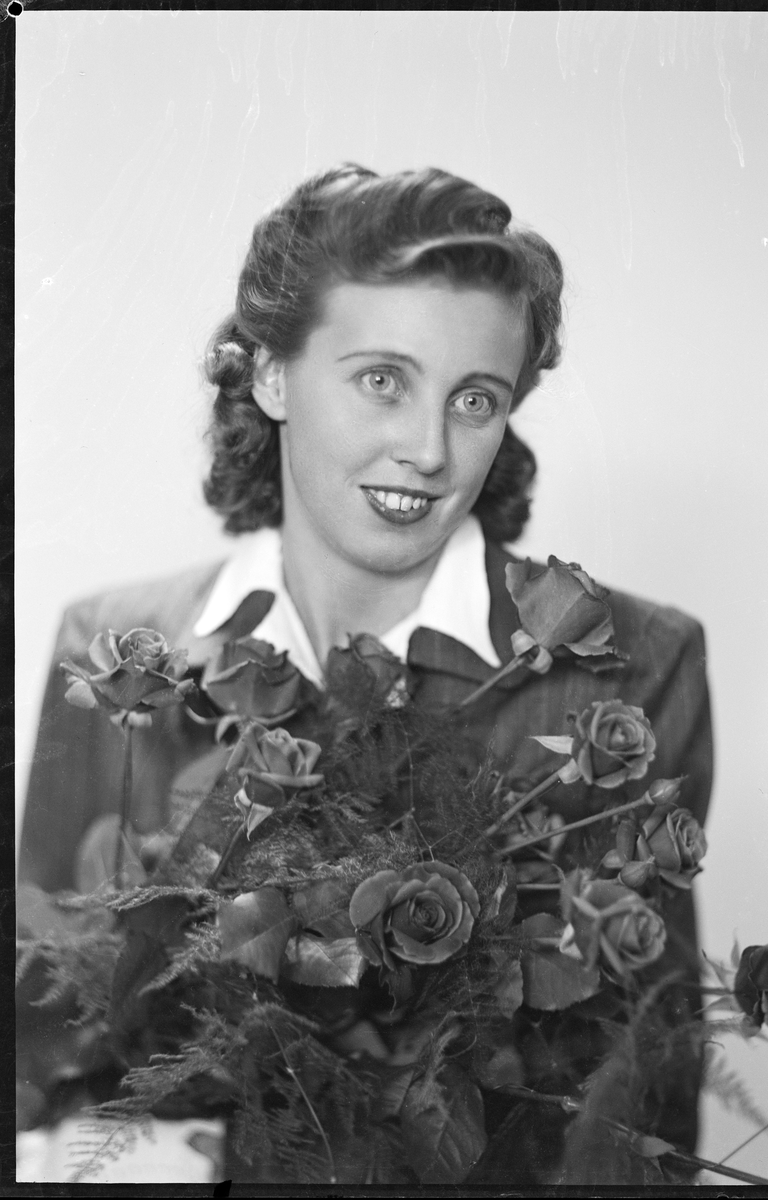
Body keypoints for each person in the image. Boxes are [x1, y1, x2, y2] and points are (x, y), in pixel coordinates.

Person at [18, 163, 712, 1184]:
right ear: (270, 376)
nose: (428, 450)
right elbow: (39, 1052)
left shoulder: (641, 664)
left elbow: (641, 1094)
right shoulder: (115, 645)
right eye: (382, 379)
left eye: (474, 399)